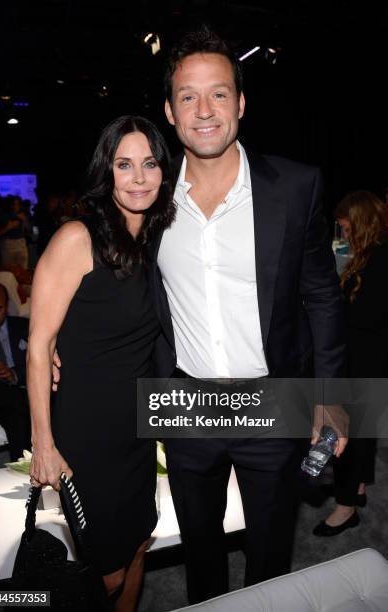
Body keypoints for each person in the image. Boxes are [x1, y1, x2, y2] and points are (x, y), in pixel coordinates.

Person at [148, 27, 348, 604]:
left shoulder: (294, 187)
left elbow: (321, 298)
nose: (204, 110)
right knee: (200, 549)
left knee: (269, 550)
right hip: (185, 402)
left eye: (218, 94)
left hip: (270, 399)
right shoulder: (147, 197)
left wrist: (332, 396)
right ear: (169, 110)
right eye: (188, 96)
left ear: (240, 102)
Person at [27, 115, 175, 611]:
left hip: (135, 431)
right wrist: (43, 444)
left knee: (138, 544)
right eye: (124, 164)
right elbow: (39, 344)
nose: (138, 177)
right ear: (105, 171)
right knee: (104, 576)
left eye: (149, 163)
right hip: (87, 437)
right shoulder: (77, 237)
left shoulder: (157, 240)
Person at [313, 190, 388, 536]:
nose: (340, 229)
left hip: (362, 360)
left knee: (344, 432)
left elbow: (362, 315)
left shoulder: (378, 261)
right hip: (365, 358)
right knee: (362, 431)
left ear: (359, 222)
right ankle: (356, 490)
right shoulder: (363, 254)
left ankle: (344, 509)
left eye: (344, 223)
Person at [0, 281, 30, 460]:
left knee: (17, 411)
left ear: (7, 307)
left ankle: (24, 468)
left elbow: (40, 363)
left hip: (10, 398)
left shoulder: (23, 327)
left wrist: (14, 374)